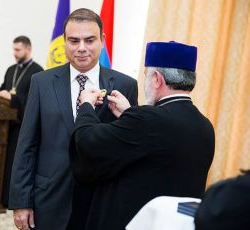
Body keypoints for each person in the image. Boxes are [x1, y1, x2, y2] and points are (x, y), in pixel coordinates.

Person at [9, 8, 138, 230]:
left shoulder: (125, 85)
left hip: (100, 200)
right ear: (64, 42)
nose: (81, 48)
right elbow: (27, 145)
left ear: (102, 40)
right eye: (74, 40)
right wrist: (21, 202)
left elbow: (129, 149)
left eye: (89, 40)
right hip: (49, 198)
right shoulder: (42, 82)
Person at [68, 41, 215, 229]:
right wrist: (129, 113)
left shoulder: (146, 120)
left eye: (145, 75)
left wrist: (86, 105)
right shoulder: (204, 126)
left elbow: (88, 143)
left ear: (156, 79)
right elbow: (154, 150)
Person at [0, 35, 43, 208]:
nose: (14, 53)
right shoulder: (11, 69)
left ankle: (12, 200)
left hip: (22, 125)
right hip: (5, 124)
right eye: (13, 49)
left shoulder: (38, 72)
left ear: (28, 49)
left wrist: (14, 97)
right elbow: (5, 89)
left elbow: (34, 100)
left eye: (17, 50)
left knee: (14, 163)